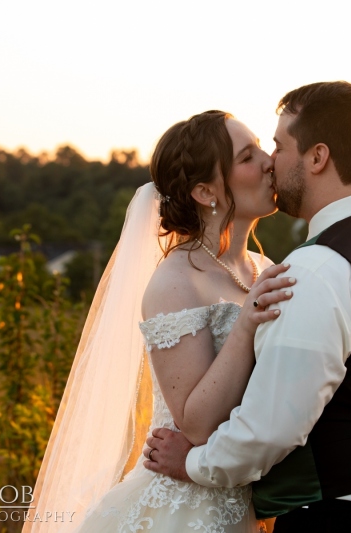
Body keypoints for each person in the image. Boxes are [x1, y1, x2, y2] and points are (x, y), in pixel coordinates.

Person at [144, 81, 351, 532]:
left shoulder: (315, 268)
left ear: (317, 157)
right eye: (253, 154)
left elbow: (273, 427)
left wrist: (194, 464)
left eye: (277, 145)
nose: (272, 161)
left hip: (348, 517)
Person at [24, 110, 296, 533]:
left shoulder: (265, 267)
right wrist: (245, 326)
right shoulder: (175, 281)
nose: (267, 161)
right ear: (207, 191)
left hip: (247, 496)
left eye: (262, 147)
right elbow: (196, 421)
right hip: (185, 508)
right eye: (247, 156)